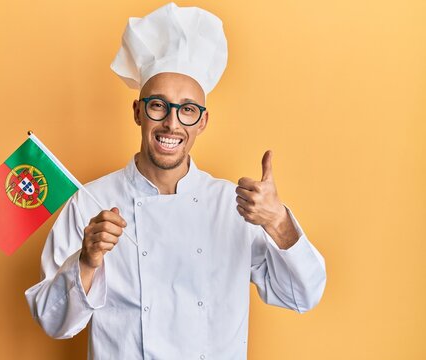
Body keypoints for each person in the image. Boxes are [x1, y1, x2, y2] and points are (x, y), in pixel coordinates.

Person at [25, 3, 326, 359]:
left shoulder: (234, 206)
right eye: (158, 106)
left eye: (187, 110)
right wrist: (87, 262)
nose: (171, 123)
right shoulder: (91, 203)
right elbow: (52, 321)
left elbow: (302, 296)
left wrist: (278, 223)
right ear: (138, 111)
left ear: (202, 122)